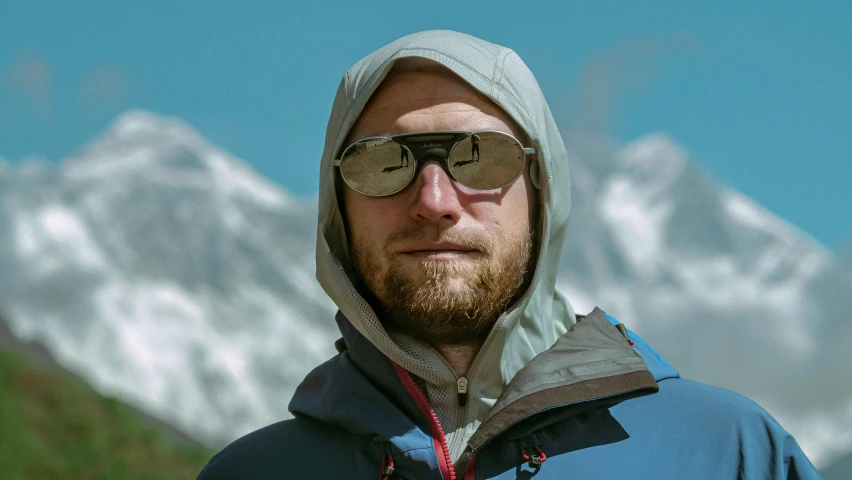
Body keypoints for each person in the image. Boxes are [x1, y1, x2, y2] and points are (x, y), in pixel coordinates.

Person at [197, 30, 820, 479]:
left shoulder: (727, 454)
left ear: (542, 193)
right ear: (337, 207)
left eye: (481, 157)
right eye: (384, 162)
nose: (435, 199)